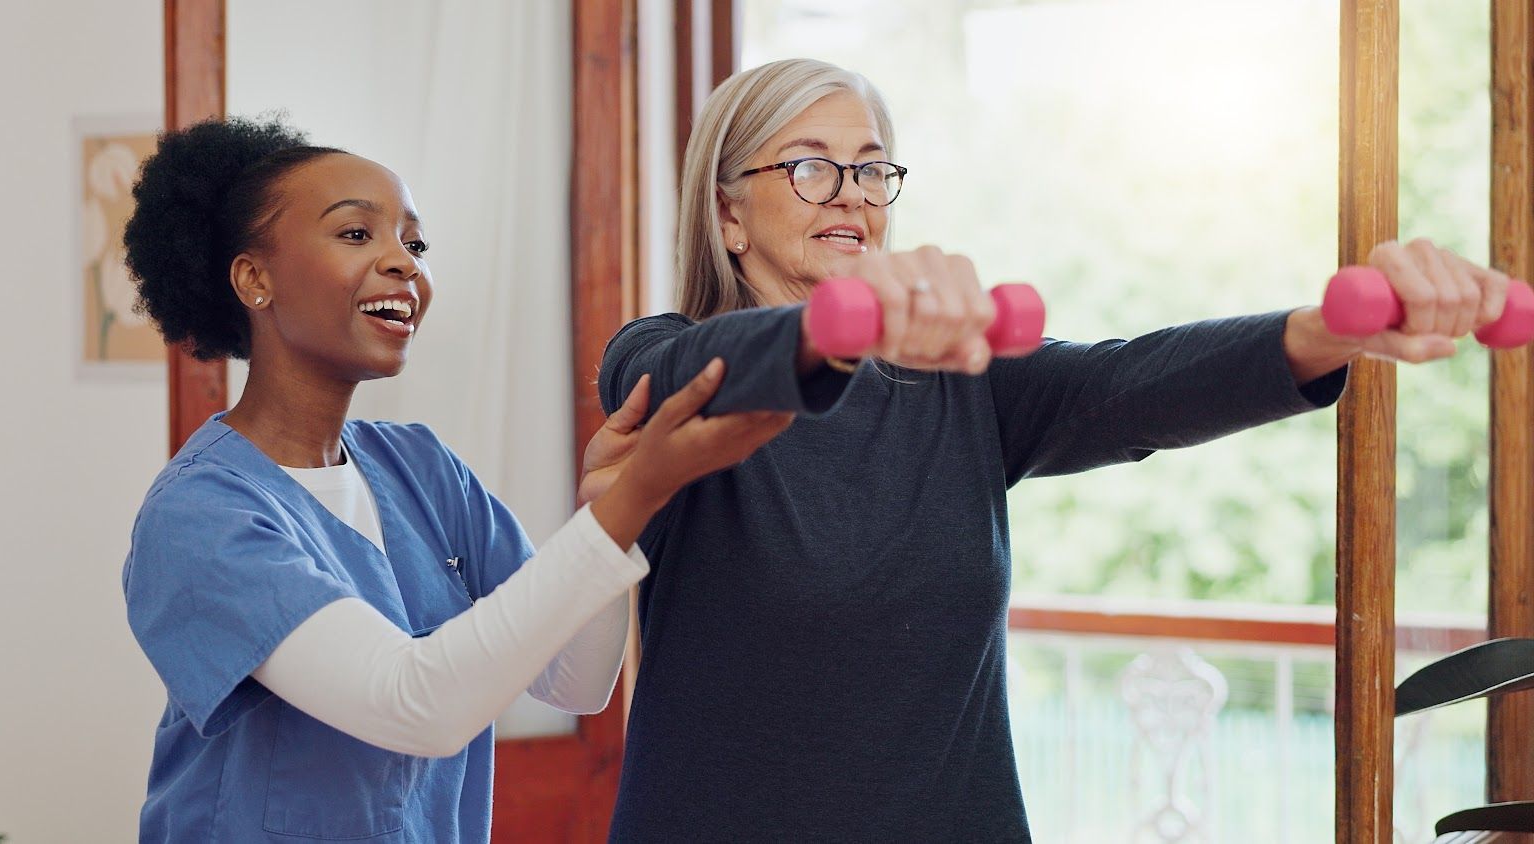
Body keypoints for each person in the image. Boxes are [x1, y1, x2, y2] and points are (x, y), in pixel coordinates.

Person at [595, 58, 1508, 841]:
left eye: (872, 171)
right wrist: (839, 328)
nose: (851, 196)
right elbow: (714, 370)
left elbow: (1131, 383)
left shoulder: (955, 384)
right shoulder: (655, 361)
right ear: (728, 218)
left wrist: (1326, 331)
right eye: (809, 168)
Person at [118, 116, 791, 843]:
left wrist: (608, 509)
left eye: (415, 243)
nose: (403, 263)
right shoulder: (200, 514)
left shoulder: (421, 470)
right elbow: (416, 705)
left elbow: (575, 680)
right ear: (255, 278)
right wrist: (630, 502)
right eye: (356, 235)